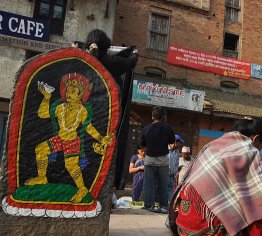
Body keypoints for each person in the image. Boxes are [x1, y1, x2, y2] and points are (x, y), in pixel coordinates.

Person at [168, 117, 262, 236]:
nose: (260, 150)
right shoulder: (250, 151)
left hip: (183, 226)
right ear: (255, 139)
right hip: (211, 233)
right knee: (254, 204)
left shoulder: (215, 145)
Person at [25, 73, 112, 203]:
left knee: (71, 166)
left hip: (72, 141)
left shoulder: (82, 111)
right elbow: (42, 114)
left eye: (73, 92)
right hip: (59, 139)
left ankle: (82, 189)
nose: (68, 94)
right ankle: (41, 177)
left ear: (80, 96)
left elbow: (88, 128)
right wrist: (47, 98)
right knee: (40, 149)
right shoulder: (60, 107)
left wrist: (100, 138)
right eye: (68, 91)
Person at [85, 29, 139, 190]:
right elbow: (129, 63)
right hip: (106, 114)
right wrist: (134, 53)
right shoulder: (109, 62)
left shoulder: (84, 58)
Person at [140, 106, 175, 214]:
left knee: (148, 183)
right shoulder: (167, 128)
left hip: (149, 160)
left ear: (152, 116)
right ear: (164, 117)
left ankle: (148, 205)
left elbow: (142, 145)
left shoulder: (146, 128)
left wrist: (149, 151)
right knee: (163, 184)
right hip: (163, 160)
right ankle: (163, 206)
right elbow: (172, 141)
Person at [168, 134, 184, 201]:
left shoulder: (176, 151)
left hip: (172, 176)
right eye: (179, 143)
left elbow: (176, 163)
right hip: (164, 174)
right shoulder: (164, 149)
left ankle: (168, 206)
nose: (180, 145)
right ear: (175, 142)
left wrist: (176, 173)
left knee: (171, 191)